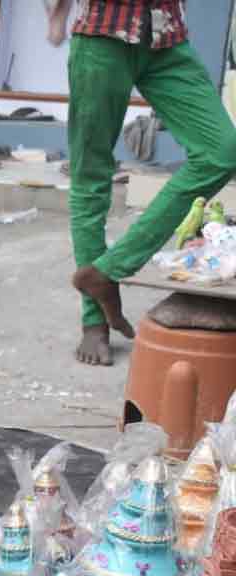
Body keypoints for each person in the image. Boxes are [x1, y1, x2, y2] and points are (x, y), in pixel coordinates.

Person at [47, 0, 236, 365]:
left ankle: (107, 270)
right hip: (102, 34)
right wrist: (55, 11)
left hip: (167, 39)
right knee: (91, 177)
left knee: (222, 151)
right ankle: (94, 322)